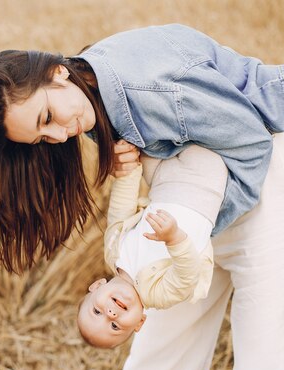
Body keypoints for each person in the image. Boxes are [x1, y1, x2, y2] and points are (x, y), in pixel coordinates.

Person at [0, 24, 284, 370]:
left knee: (266, 367)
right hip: (172, 220)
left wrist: (195, 229)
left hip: (253, 187)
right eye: (42, 137)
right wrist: (143, 190)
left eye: (47, 115)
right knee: (156, 367)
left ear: (56, 72)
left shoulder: (149, 88)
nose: (60, 135)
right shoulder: (87, 93)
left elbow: (250, 141)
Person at [77, 145, 227, 349]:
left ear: (96, 286)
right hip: (201, 188)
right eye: (114, 326)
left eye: (97, 311)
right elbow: (187, 274)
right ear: (140, 322)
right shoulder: (159, 295)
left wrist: (128, 169)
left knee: (135, 141)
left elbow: (121, 209)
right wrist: (174, 238)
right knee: (202, 139)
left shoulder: (113, 252)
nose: (111, 314)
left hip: (162, 180)